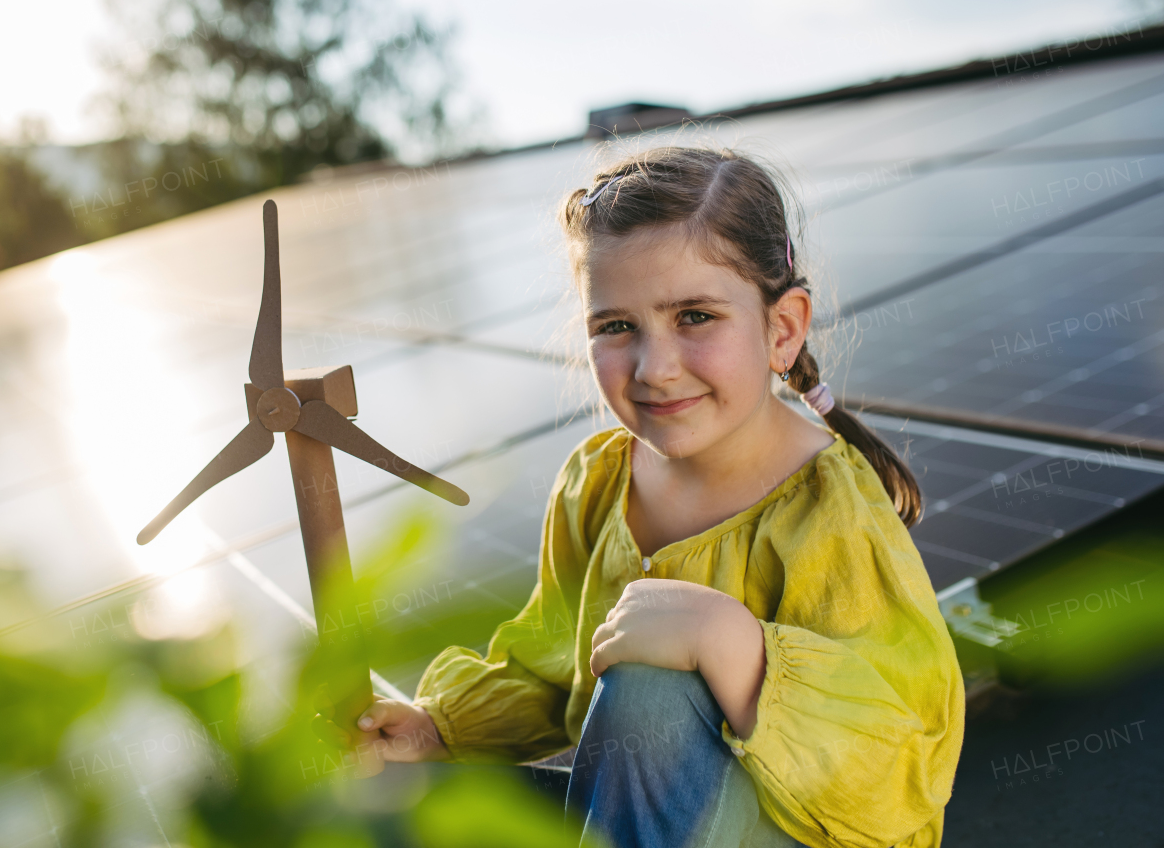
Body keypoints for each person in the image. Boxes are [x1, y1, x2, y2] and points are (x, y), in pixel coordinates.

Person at [312, 146, 965, 848]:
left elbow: (899, 770)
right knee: (408, 798)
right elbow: (553, 660)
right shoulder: (596, 481)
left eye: (694, 316)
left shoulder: (830, 513)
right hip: (656, 817)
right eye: (616, 326)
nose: (655, 367)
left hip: (797, 830)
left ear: (782, 329)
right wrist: (439, 726)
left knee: (653, 686)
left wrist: (735, 648)